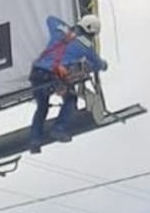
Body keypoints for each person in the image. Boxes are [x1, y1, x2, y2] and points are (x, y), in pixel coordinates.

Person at [28, 13, 107, 153]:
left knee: (42, 107)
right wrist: (103, 65)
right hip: (54, 76)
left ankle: (34, 140)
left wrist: (66, 28)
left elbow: (50, 19)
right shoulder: (86, 46)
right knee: (70, 99)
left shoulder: (60, 29)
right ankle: (59, 129)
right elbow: (97, 64)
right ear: (91, 32)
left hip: (37, 73)